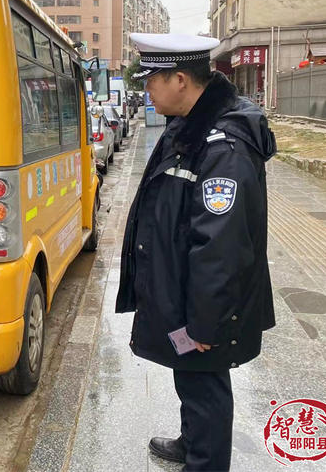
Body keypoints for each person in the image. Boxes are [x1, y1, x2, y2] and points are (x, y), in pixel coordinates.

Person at [116, 33, 276, 471]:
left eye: (152, 80)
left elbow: (220, 246)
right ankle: (193, 442)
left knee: (205, 383)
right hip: (183, 291)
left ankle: (206, 462)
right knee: (189, 376)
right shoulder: (188, 127)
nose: (146, 89)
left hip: (204, 302)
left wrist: (206, 322)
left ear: (181, 80)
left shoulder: (223, 148)